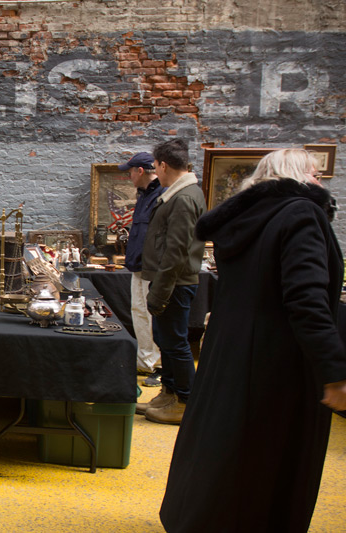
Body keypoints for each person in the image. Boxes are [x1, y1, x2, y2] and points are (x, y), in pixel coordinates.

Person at [160, 149, 346, 531]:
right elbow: (306, 298)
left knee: (227, 452)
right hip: (279, 363)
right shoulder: (302, 213)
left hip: (230, 353)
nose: (321, 183)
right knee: (269, 462)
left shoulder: (245, 219)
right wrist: (334, 371)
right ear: (298, 176)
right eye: (316, 174)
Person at [137, 138, 206, 425]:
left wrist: (160, 293)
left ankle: (186, 402)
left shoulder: (184, 197)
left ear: (163, 165)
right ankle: (170, 392)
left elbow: (177, 252)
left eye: (156, 168)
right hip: (169, 282)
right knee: (166, 340)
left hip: (175, 283)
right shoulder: (178, 193)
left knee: (175, 343)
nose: (156, 173)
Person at [118, 152, 164, 387]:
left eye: (130, 171)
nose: (129, 176)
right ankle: (146, 361)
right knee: (138, 312)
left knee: (152, 315)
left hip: (153, 268)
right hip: (138, 265)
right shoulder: (145, 195)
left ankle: (159, 365)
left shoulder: (161, 194)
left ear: (140, 171)